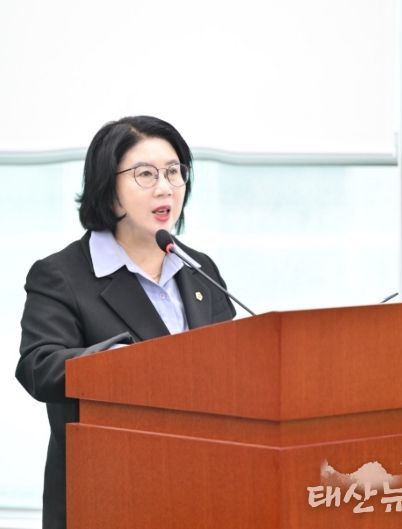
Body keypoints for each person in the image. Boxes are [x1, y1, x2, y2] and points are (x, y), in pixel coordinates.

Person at [15, 115, 236, 529]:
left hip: (202, 487)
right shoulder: (61, 274)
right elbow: (38, 367)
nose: (165, 187)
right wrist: (118, 364)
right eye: (146, 174)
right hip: (108, 495)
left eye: (174, 171)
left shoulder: (199, 269)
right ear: (109, 189)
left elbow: (233, 367)